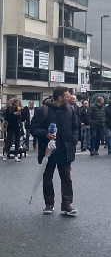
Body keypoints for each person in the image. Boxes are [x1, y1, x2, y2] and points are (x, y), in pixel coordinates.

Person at [30, 87, 79, 216]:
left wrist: (73, 140)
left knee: (66, 178)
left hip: (65, 150)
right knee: (47, 178)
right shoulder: (43, 110)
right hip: (48, 150)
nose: (69, 98)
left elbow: (75, 127)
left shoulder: (70, 110)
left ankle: (67, 205)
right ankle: (49, 204)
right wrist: (46, 134)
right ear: (60, 98)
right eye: (67, 96)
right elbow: (33, 128)